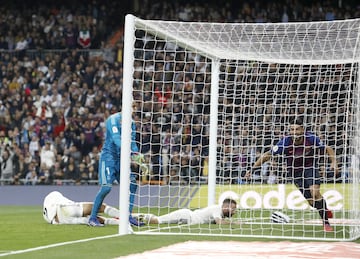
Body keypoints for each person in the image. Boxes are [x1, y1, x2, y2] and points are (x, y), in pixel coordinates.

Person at [246, 117, 339, 232]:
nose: (294, 132)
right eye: (292, 130)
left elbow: (328, 148)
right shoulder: (285, 142)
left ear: (303, 130)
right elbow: (267, 155)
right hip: (295, 172)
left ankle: (326, 223)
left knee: (315, 192)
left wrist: (334, 162)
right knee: (312, 202)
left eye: (297, 129)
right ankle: (324, 209)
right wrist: (253, 168)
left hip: (310, 167)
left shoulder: (310, 138)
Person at [88, 111, 147, 227]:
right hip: (108, 158)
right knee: (106, 188)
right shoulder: (113, 119)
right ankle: (92, 218)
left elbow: (133, 143)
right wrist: (130, 152)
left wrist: (138, 157)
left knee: (132, 184)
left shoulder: (132, 124)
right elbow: (116, 139)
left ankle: (128, 216)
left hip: (122, 160)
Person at [43, 191, 121, 226]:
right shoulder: (55, 197)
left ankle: (120, 222)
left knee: (91, 220)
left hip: (60, 220)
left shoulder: (47, 215)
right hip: (64, 210)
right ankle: (125, 217)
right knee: (98, 207)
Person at [140, 198, 240, 225]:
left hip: (187, 218)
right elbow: (219, 222)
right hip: (187, 216)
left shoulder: (220, 212)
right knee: (158, 221)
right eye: (233, 208)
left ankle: (138, 216)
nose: (234, 211)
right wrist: (235, 223)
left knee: (159, 219)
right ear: (225, 206)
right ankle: (137, 217)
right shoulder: (217, 209)